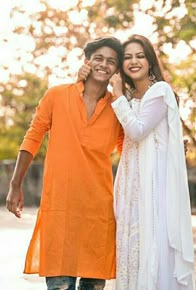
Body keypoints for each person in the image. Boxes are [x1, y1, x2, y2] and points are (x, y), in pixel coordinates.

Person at [6, 37, 124, 290]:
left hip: (99, 212)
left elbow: (134, 149)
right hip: (60, 208)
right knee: (60, 286)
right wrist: (16, 185)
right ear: (87, 62)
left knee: (93, 286)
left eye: (111, 61)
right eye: (99, 58)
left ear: (117, 70)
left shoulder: (119, 107)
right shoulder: (57, 95)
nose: (104, 65)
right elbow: (33, 136)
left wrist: (170, 147)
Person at [109, 34, 196, 290]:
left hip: (153, 182)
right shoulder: (128, 96)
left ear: (149, 60)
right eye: (127, 57)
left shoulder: (160, 91)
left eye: (139, 56)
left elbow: (137, 131)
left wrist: (116, 96)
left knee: (153, 241)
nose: (134, 61)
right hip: (130, 180)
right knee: (131, 245)